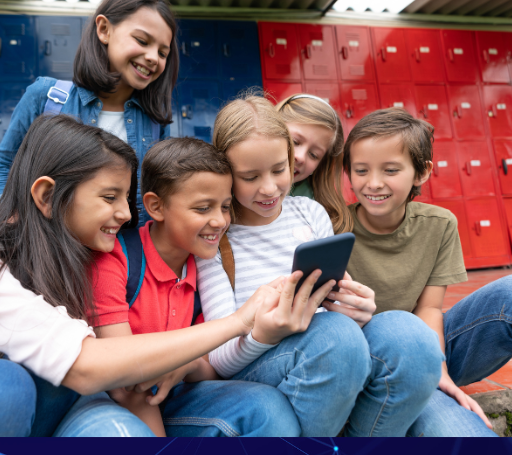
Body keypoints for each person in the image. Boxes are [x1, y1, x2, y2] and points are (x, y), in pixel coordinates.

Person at [0, 114, 277, 437]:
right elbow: (86, 366)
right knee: (1, 386)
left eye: (125, 197)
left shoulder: (70, 263)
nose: (125, 213)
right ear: (48, 196)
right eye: (109, 197)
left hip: (21, 414)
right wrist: (238, 323)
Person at [196, 92, 443, 437]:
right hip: (258, 364)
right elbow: (220, 358)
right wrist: (266, 333)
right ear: (225, 172)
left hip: (328, 350)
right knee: (336, 339)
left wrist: (356, 308)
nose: (269, 188)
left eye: (279, 169)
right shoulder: (216, 239)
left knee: (411, 336)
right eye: (250, 177)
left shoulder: (310, 214)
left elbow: (333, 314)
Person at [341, 108, 512, 436]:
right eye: (360, 170)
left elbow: (429, 308)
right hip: (371, 365)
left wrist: (439, 371)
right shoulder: (334, 226)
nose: (373, 183)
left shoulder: (439, 224)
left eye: (390, 170)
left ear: (422, 173)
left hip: (429, 351)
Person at [90, 137, 300, 437]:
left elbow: (209, 367)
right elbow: (123, 382)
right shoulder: (117, 260)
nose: (219, 221)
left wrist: (185, 364)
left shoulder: (203, 267)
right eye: (203, 208)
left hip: (171, 400)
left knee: (266, 408)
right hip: (112, 405)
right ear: (155, 206)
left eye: (226, 206)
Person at [0, 0, 178, 223]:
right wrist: (12, 219)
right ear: (104, 29)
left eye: (162, 52)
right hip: (52, 250)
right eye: (141, 40)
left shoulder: (155, 121)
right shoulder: (45, 97)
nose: (152, 57)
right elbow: (3, 164)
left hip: (123, 253)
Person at [277, 94, 353, 233]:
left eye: (314, 155)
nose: (300, 157)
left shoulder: (322, 214)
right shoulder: (232, 193)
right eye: (294, 142)